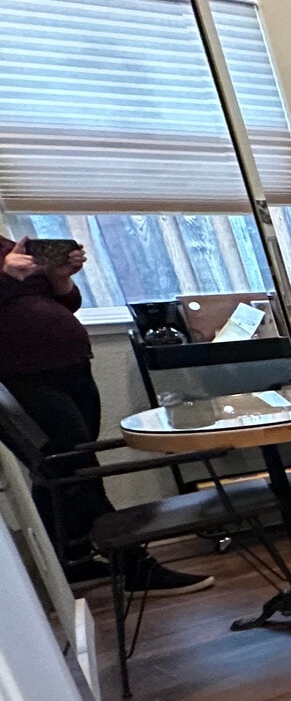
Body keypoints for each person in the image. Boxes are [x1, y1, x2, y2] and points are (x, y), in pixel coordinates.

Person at [0, 234, 212, 595]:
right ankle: (134, 566)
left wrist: (60, 277)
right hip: (22, 375)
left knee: (63, 469)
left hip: (68, 369)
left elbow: (65, 302)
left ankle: (74, 562)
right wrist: (6, 276)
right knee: (73, 467)